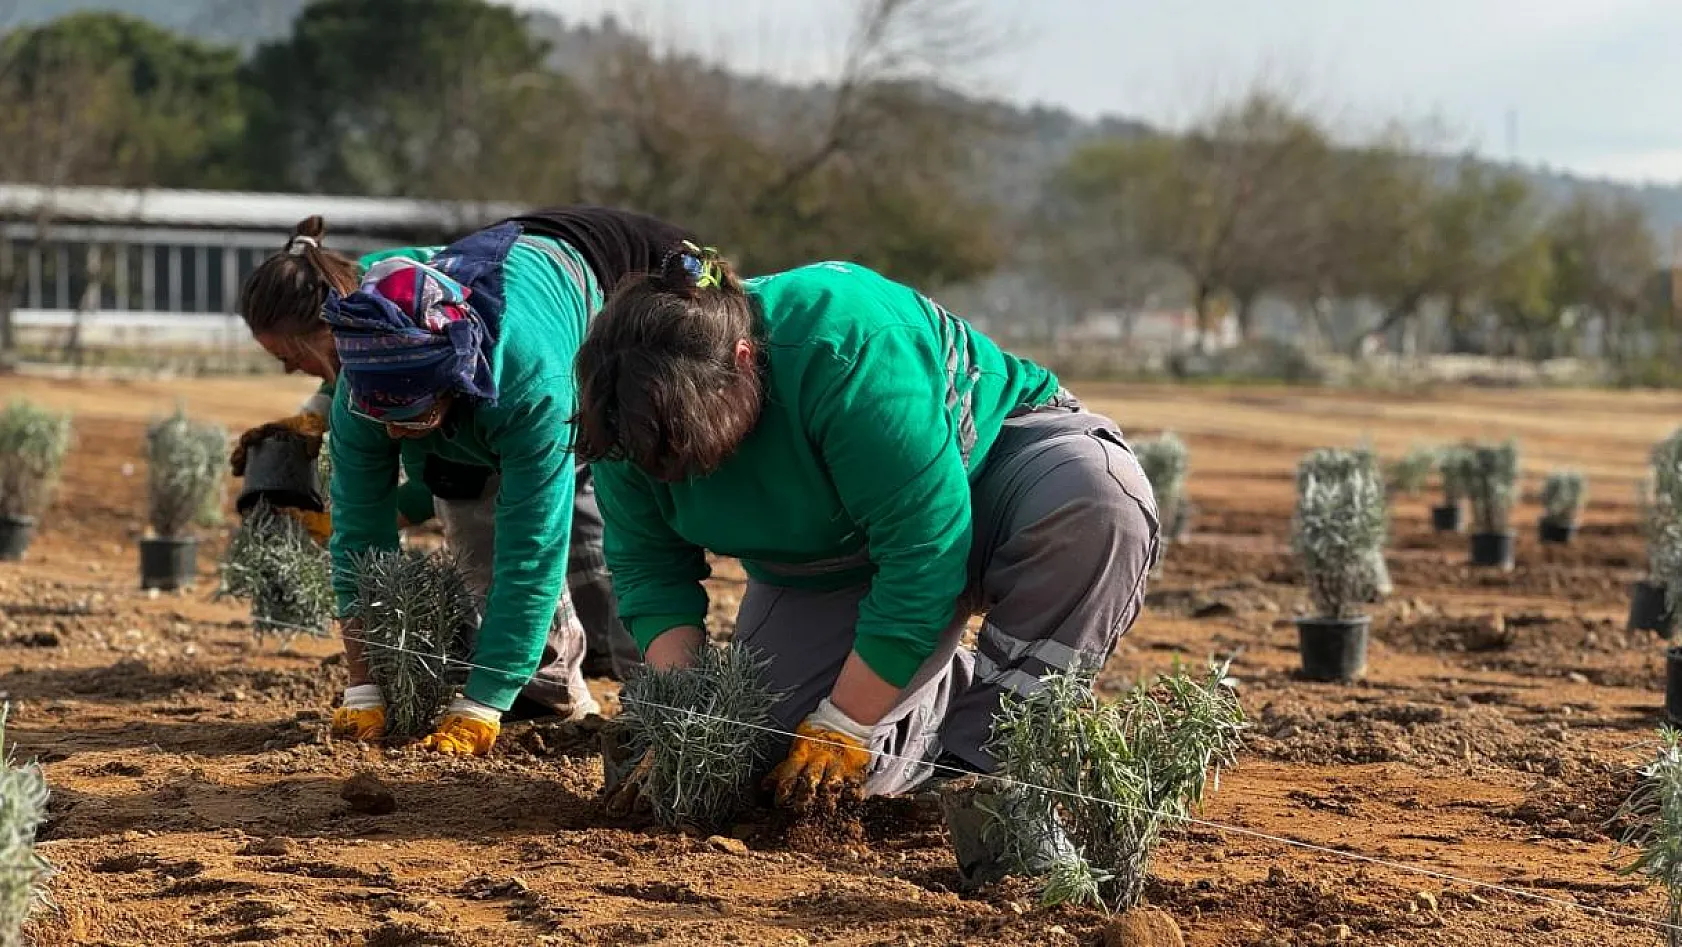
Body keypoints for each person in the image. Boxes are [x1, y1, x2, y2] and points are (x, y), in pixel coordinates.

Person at [574, 248, 1158, 882]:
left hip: (997, 473)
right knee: (754, 764)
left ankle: (1000, 774)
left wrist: (845, 722)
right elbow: (651, 571)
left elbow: (924, 552)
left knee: (1099, 503)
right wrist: (683, 721)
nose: (672, 468)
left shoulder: (844, 345)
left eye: (687, 441)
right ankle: (940, 705)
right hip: (831, 558)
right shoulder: (626, 405)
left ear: (743, 363)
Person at [235, 208, 691, 754]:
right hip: (506, 313)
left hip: (630, 279)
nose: (397, 434)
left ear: (453, 383)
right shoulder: (361, 393)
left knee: (623, 493)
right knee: (464, 491)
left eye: (414, 418)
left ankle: (661, 704)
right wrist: (363, 686)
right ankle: (543, 688)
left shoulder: (531, 388)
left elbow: (530, 553)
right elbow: (361, 538)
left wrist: (481, 703)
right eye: (385, 421)